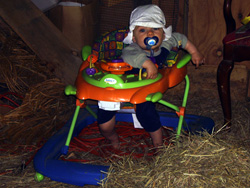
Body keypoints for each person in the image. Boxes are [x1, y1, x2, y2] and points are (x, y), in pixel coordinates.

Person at [97, 4, 205, 150]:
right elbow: (131, 56)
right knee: (104, 123)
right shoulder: (131, 49)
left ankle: (158, 143)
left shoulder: (166, 44)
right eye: (143, 30)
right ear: (134, 38)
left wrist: (194, 52)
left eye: (155, 29)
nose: (149, 34)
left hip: (142, 90)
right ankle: (112, 137)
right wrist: (147, 63)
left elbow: (180, 39)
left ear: (163, 34)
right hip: (118, 88)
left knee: (147, 114)